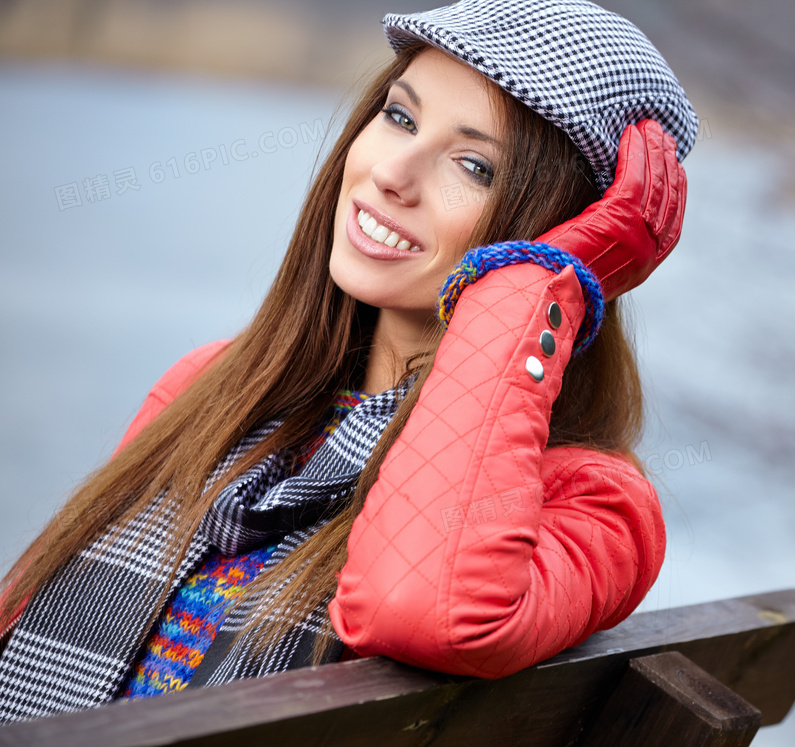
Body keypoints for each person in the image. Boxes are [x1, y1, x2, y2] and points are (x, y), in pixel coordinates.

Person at [0, 0, 697, 724]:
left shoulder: (592, 505)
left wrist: (544, 279)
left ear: (562, 232)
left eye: (473, 165)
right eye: (399, 116)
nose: (393, 172)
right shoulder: (213, 386)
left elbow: (418, 605)